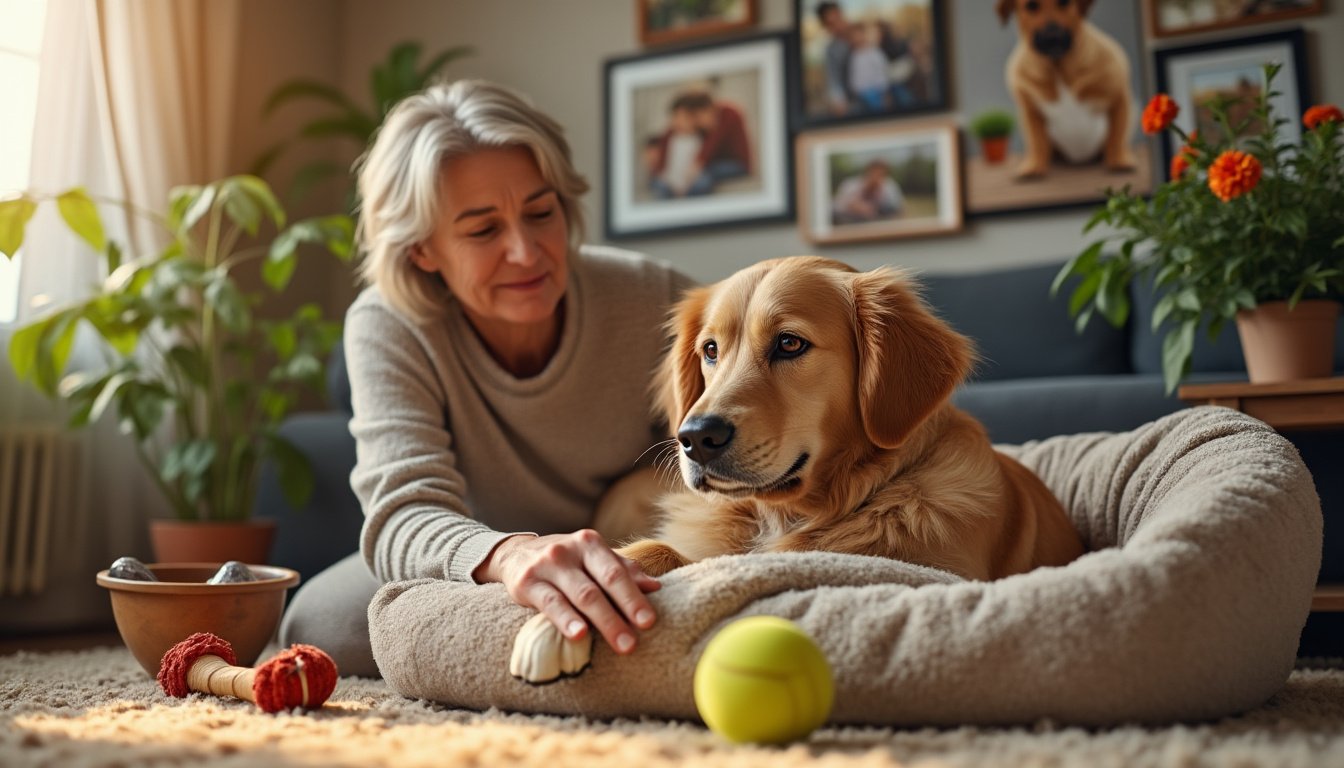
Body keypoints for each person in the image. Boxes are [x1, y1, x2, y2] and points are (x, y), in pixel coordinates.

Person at [277, 79, 696, 677]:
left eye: (541, 213)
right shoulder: (386, 323)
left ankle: (581, 634)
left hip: (635, 539)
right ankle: (591, 634)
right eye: (482, 230)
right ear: (422, 248)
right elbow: (402, 514)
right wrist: (510, 554)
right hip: (479, 552)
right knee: (321, 626)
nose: (526, 252)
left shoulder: (654, 294)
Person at [647, 95, 705, 198]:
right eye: (675, 116)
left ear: (694, 119)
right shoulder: (671, 139)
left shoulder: (699, 140)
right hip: (668, 182)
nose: (679, 121)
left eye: (684, 118)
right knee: (657, 186)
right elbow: (666, 165)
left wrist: (684, 186)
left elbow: (695, 168)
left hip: (689, 183)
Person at [831, 159, 904, 225]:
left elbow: (899, 208)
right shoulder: (850, 184)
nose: (876, 177)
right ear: (867, 172)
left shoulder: (890, 186)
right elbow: (837, 205)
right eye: (874, 173)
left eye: (881, 174)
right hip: (851, 219)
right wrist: (852, 206)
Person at [847, 21, 890, 113]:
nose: (856, 38)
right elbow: (853, 74)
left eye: (858, 34)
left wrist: (884, 93)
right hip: (859, 95)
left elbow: (882, 72)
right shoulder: (853, 55)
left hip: (874, 93)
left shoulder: (874, 52)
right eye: (853, 36)